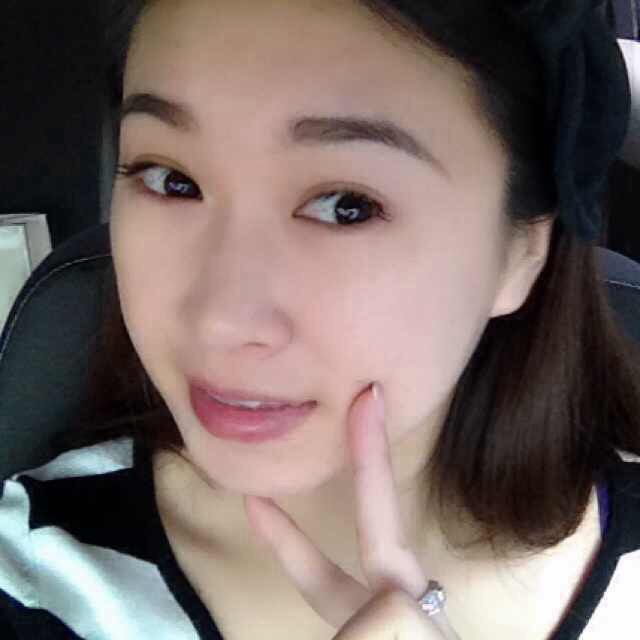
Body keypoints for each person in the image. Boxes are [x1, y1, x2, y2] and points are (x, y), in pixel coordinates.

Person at [2, 0, 640, 638]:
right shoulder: (31, 575)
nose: (221, 321)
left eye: (346, 206)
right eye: (170, 179)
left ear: (521, 252)